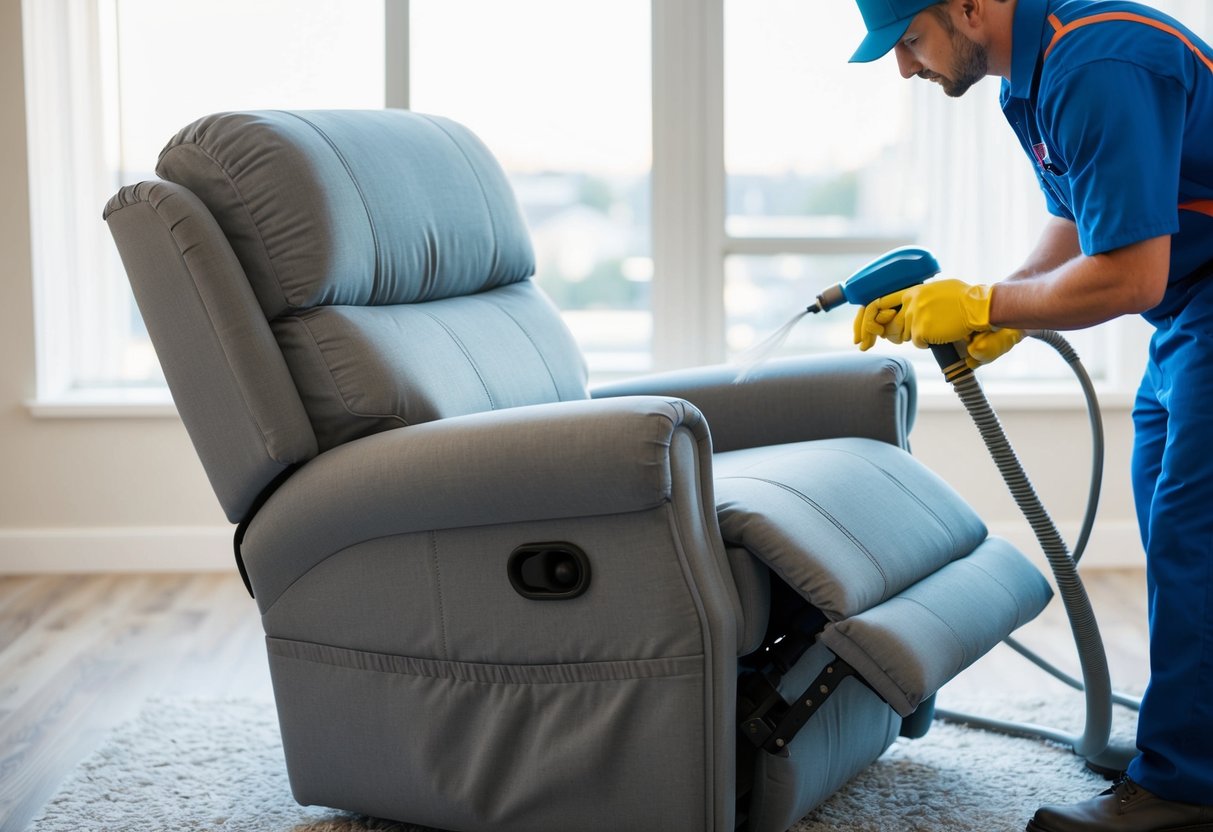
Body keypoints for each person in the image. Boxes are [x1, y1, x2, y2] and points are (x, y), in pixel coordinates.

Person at [846, 0, 1213, 830]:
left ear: (970, 8)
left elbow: (1127, 277)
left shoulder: (1097, 62)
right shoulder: (1030, 80)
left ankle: (1184, 792)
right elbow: (1076, 217)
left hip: (1189, 295)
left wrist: (984, 301)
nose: (904, 68)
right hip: (1190, 306)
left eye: (909, 40)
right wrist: (1001, 312)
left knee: (1197, 527)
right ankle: (1195, 743)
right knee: (1169, 510)